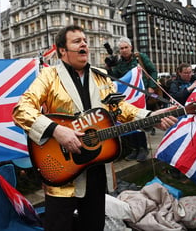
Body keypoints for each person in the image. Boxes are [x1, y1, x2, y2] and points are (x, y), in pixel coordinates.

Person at [12, 25, 177, 231]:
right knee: (58, 226)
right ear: (62, 50)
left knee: (94, 225)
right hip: (62, 171)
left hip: (97, 167)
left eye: (85, 41)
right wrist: (56, 130)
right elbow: (21, 110)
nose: (84, 44)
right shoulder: (48, 76)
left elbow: (119, 108)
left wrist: (150, 116)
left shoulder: (101, 76)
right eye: (76, 41)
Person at [105, 37, 159, 162]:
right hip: (127, 95)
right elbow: (116, 79)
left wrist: (151, 87)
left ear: (131, 47)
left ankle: (143, 148)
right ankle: (134, 149)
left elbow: (153, 71)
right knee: (128, 121)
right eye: (121, 48)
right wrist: (109, 67)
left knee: (139, 119)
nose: (124, 50)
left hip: (140, 93)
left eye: (126, 47)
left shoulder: (140, 57)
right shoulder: (119, 63)